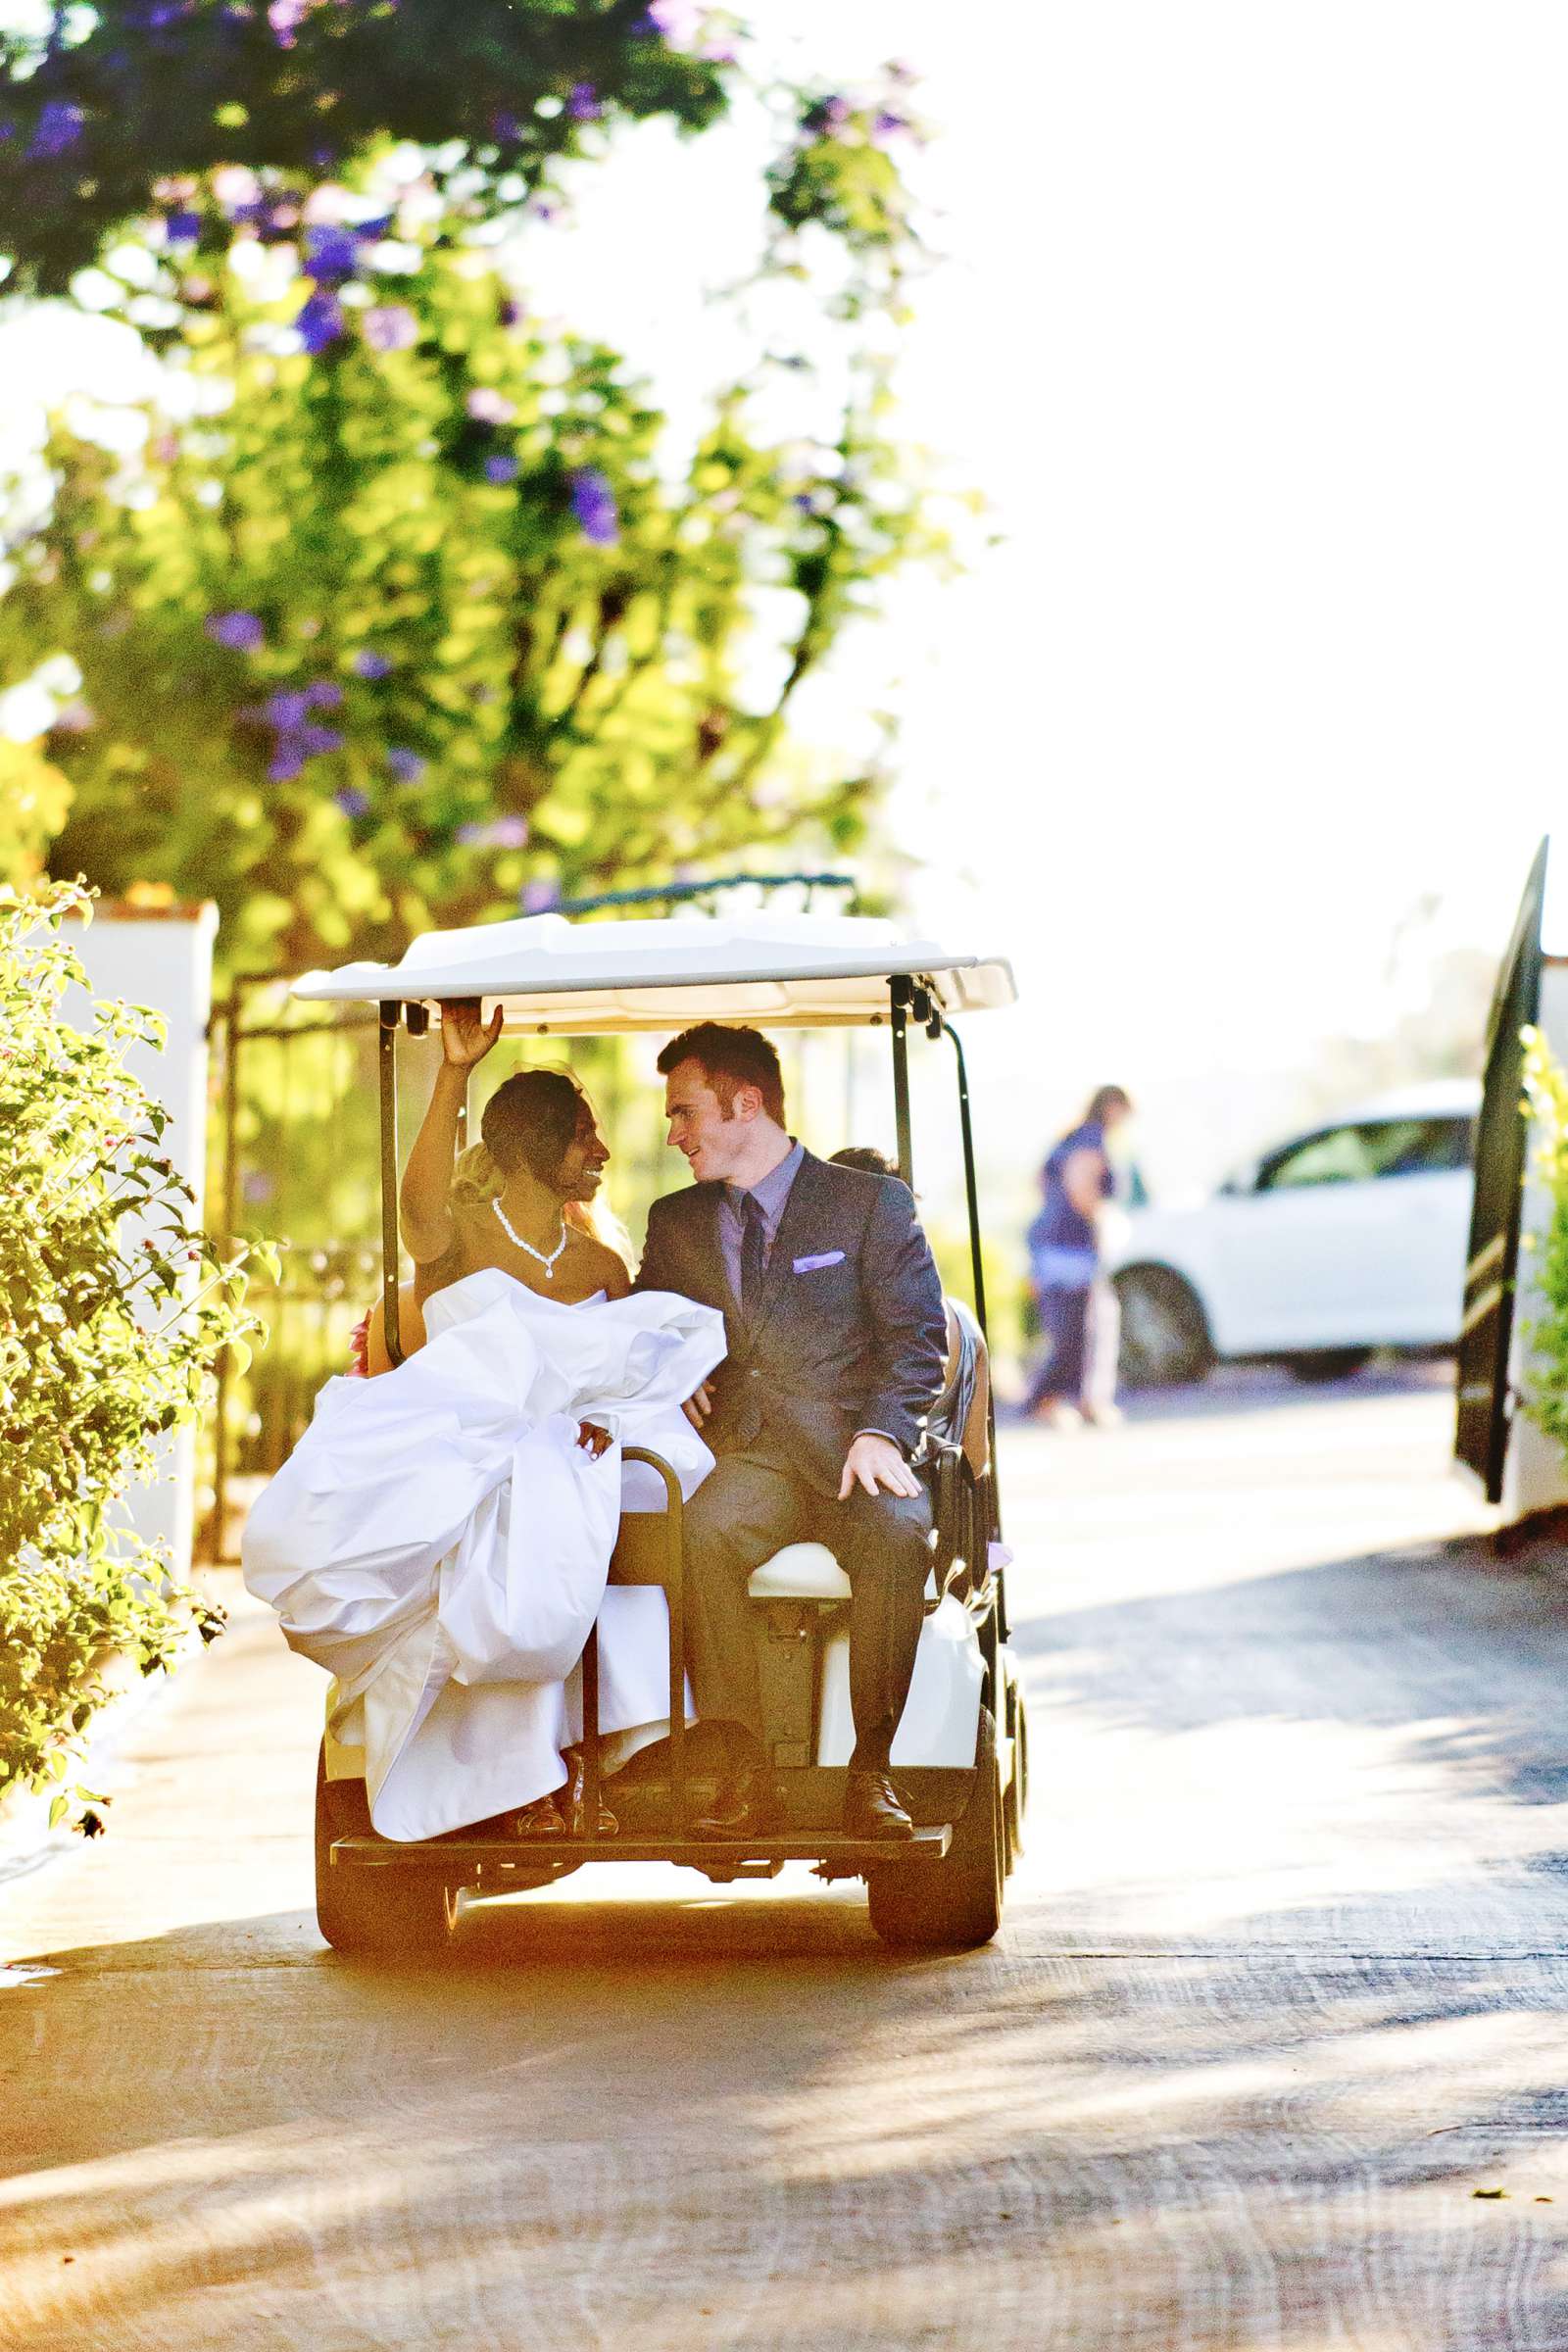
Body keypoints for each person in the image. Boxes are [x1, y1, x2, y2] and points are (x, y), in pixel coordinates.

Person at [242, 1001, 727, 1845]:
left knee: (561, 1516)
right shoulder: (457, 1238)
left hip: (565, 1458)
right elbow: (418, 1205)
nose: (603, 1153)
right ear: (537, 1146)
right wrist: (456, 1071)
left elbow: (606, 1370)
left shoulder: (600, 1263)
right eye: (584, 1136)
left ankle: (593, 1761)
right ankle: (508, 1779)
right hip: (467, 1440)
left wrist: (629, 1407)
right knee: (506, 1527)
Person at [634, 1023, 949, 1842]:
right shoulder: (676, 1223)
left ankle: (870, 1773)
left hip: (856, 1454)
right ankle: (750, 1774)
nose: (675, 1135)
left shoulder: (869, 1204)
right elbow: (645, 1332)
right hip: (754, 1459)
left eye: (686, 1112)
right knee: (698, 1531)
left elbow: (920, 1337)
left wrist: (883, 1432)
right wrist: (676, 1381)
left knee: (896, 1535)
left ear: (746, 1104)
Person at [1023, 1084, 1135, 1429]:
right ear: (1113, 1108)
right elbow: (1081, 1188)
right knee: (1083, 1327)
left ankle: (1083, 1400)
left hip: (1050, 1241)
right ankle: (1054, 1400)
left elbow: (1040, 1180)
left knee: (1074, 1325)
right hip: (1074, 1246)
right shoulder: (1091, 1140)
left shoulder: (1069, 1137)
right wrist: (1099, 1220)